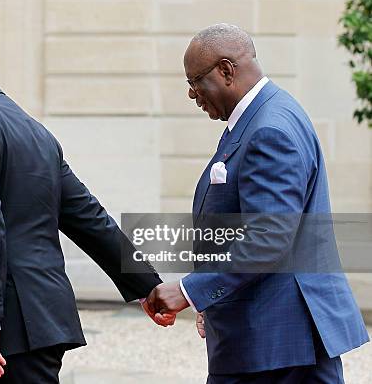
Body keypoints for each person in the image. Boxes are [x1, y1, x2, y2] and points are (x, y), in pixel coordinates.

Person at [0, 20, 163, 383]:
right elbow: (88, 216)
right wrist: (147, 286)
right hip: (39, 321)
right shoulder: (31, 128)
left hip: (7, 331)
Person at [144, 24, 369, 383]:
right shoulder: (259, 118)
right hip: (268, 341)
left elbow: (267, 239)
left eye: (195, 81)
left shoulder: (269, 129)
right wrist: (213, 299)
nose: (191, 94)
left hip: (279, 345)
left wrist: (190, 291)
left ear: (226, 70)